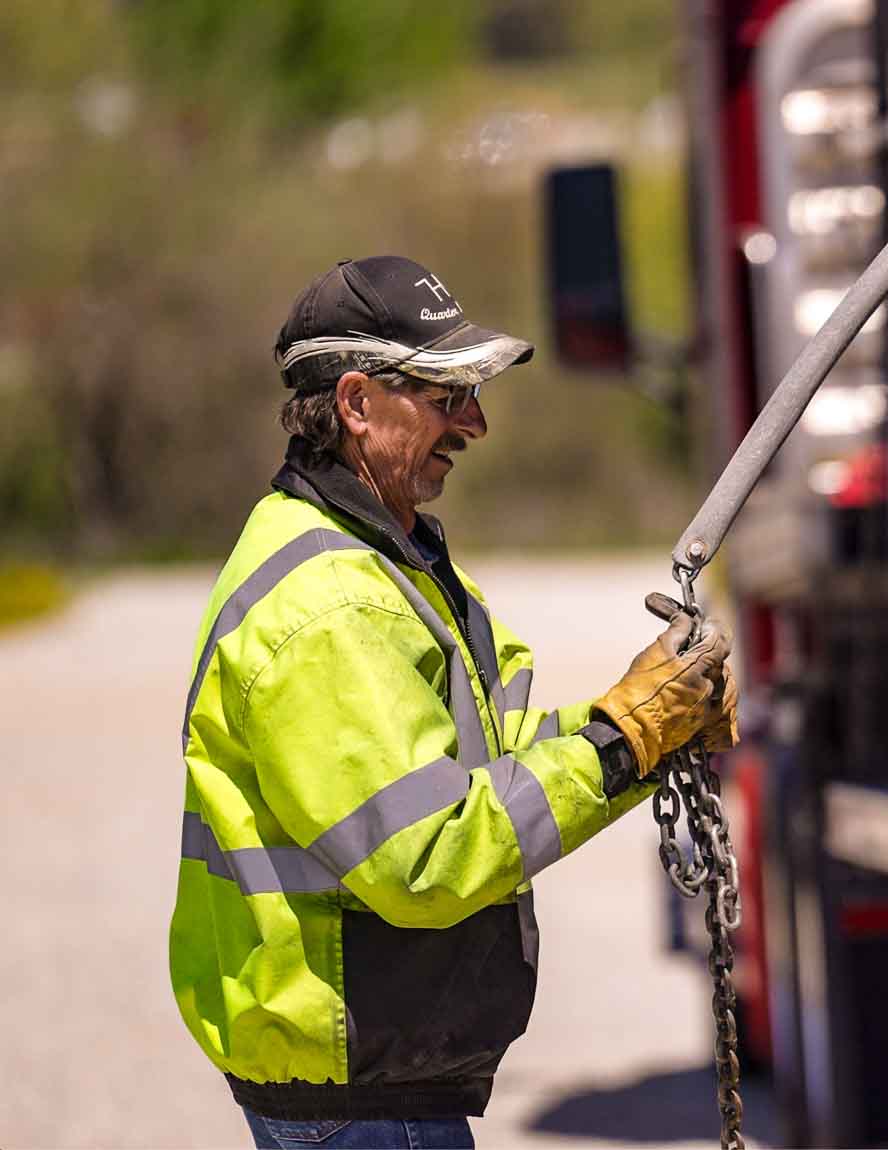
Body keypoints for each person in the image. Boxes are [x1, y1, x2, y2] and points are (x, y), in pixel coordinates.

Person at [168, 256, 738, 1149]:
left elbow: (472, 767)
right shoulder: (335, 605)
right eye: (445, 394)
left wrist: (646, 726)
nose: (473, 422)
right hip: (359, 1100)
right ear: (356, 403)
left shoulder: (380, 561)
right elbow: (426, 856)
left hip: (371, 1081)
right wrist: (624, 743)